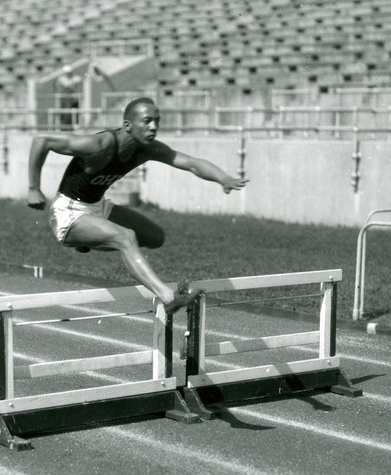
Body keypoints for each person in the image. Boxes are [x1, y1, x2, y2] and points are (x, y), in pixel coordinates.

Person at [27, 97, 249, 314]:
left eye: (157, 121)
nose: (154, 127)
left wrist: (223, 178)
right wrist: (34, 188)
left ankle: (87, 241)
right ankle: (168, 297)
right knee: (125, 237)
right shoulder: (100, 145)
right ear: (127, 125)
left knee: (154, 237)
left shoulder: (147, 148)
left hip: (97, 207)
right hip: (67, 212)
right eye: (147, 121)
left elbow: (191, 163)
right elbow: (42, 140)